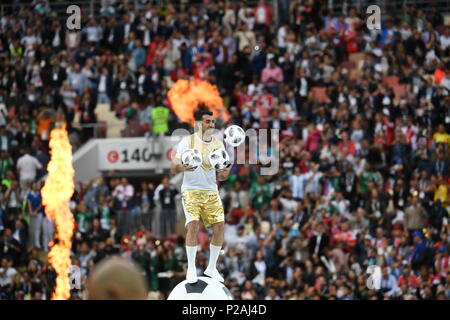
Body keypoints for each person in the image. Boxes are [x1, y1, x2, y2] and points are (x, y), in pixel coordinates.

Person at [170, 107, 231, 283]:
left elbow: (221, 173)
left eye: (212, 121)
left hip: (211, 190)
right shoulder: (186, 142)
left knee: (219, 227)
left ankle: (211, 268)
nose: (211, 124)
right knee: (193, 226)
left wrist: (224, 174)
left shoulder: (218, 144)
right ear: (198, 123)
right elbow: (173, 166)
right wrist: (180, 167)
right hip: (190, 190)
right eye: (207, 121)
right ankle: (191, 268)